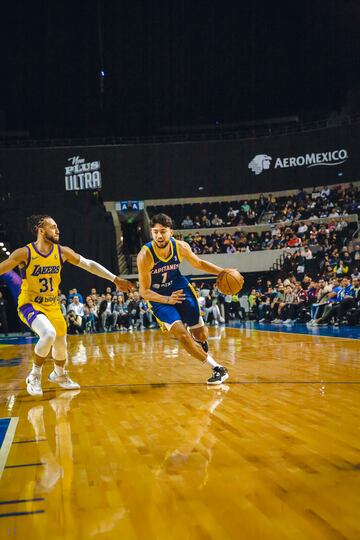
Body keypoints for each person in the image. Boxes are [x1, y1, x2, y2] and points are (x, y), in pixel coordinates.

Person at [0, 214, 133, 396]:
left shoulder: (62, 252)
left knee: (61, 344)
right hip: (30, 304)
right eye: (53, 226)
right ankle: (34, 375)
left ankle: (59, 375)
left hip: (52, 305)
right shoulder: (25, 253)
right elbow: (3, 268)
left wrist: (115, 278)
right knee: (48, 334)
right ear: (41, 229)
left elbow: (88, 264)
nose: (58, 230)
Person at [137, 213, 241, 384]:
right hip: (159, 298)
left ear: (171, 232)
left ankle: (201, 341)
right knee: (183, 335)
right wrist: (167, 299)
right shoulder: (145, 255)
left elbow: (198, 263)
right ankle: (217, 368)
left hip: (180, 289)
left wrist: (222, 272)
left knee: (200, 334)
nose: (159, 236)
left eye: (163, 231)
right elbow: (144, 291)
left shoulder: (180, 247)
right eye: (155, 232)